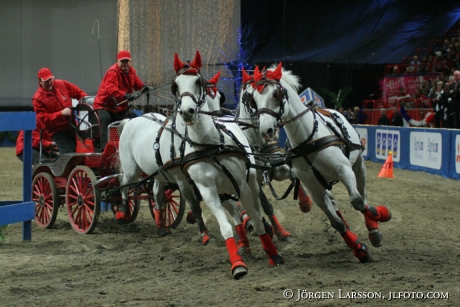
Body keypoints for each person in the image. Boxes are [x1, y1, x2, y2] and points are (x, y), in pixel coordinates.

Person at [94, 50, 149, 152]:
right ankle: (103, 149)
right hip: (104, 106)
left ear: (130, 62)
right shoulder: (112, 72)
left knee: (135, 118)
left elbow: (136, 83)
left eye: (126, 61)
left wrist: (143, 87)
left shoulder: (131, 71)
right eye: (122, 61)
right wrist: (125, 95)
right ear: (118, 62)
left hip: (120, 107)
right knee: (106, 119)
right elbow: (111, 89)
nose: (124, 64)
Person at [32, 68, 88, 155]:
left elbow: (78, 92)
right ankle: (67, 168)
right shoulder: (37, 99)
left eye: (51, 79)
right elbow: (44, 119)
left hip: (71, 125)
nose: (50, 82)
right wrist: (61, 113)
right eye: (46, 81)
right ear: (40, 81)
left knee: (81, 150)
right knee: (69, 154)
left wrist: (86, 101)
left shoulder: (61, 84)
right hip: (57, 131)